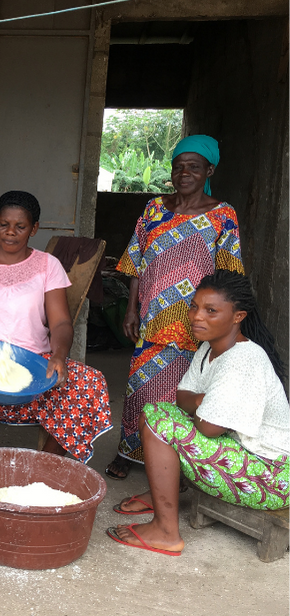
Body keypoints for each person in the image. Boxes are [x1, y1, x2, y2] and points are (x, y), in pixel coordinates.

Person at [107, 271, 289, 555]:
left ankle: (166, 532)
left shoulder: (243, 359)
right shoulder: (208, 348)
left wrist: (203, 405)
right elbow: (182, 398)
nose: (196, 316)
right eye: (194, 306)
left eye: (211, 310)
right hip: (244, 452)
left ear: (238, 316)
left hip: (273, 476)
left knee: (160, 422)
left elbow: (208, 428)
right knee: (155, 413)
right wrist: (208, 399)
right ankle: (162, 495)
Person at [0, 191, 111, 462]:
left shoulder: (48, 265)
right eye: (4, 224)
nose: (10, 232)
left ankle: (45, 464)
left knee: (88, 384)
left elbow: (60, 321)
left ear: (34, 228)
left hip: (32, 361)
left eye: (20, 226)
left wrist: (59, 355)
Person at [106, 134, 244, 480]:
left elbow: (228, 273)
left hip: (196, 323)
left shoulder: (223, 215)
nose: (184, 173)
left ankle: (178, 464)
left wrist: (223, 324)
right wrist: (131, 309)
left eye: (194, 167)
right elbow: (137, 260)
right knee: (140, 389)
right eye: (178, 166)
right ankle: (127, 451)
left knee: (183, 394)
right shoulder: (154, 208)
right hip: (152, 318)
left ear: (208, 170)